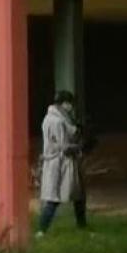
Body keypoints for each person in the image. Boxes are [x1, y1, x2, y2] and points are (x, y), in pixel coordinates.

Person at [37, 90, 87, 237]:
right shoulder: (56, 121)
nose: (71, 107)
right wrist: (79, 147)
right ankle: (42, 229)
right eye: (70, 103)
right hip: (59, 163)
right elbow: (63, 145)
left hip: (61, 163)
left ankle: (81, 225)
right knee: (55, 198)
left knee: (77, 196)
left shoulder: (53, 118)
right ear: (64, 103)